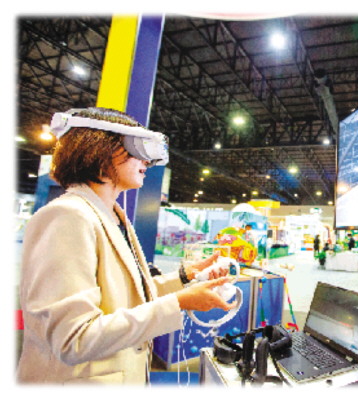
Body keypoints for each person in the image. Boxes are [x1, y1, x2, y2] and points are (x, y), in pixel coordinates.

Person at [17, 107, 234, 384]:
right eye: (136, 148)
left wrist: (184, 277)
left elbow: (124, 298)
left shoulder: (113, 217)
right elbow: (73, 338)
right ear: (100, 150)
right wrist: (179, 303)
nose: (147, 161)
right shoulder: (67, 216)